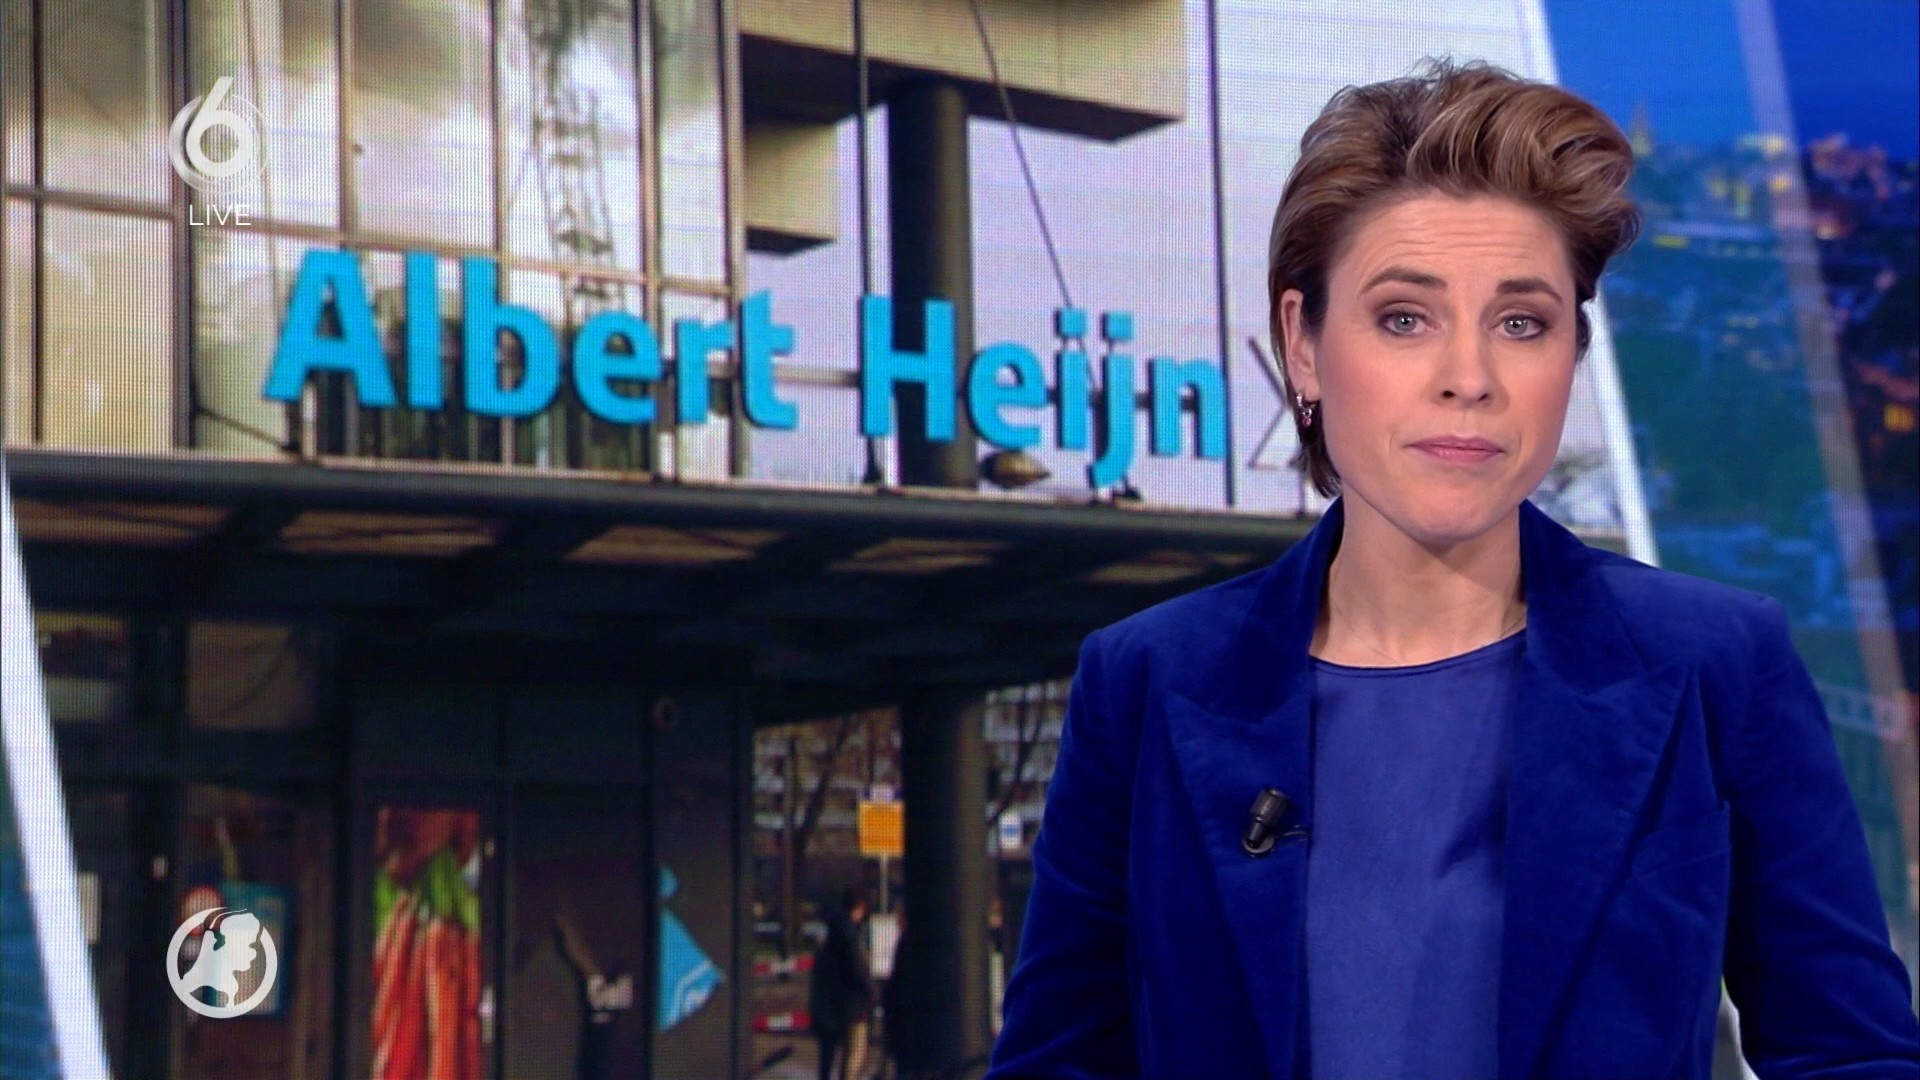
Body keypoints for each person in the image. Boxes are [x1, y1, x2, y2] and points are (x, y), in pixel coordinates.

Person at [987, 58, 1920, 1079]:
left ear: (1571, 353)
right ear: (1303, 344)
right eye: (1405, 318)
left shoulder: (1718, 663)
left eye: (1521, 323)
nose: (1469, 379)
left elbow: (1850, 1054)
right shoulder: (1145, 683)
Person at [810, 886, 875, 1080]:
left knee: (827, 1060)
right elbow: (856, 970)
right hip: (851, 1006)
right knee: (854, 1053)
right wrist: (871, 990)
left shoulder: (831, 936)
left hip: (827, 1007)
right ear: (859, 907)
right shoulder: (850, 936)